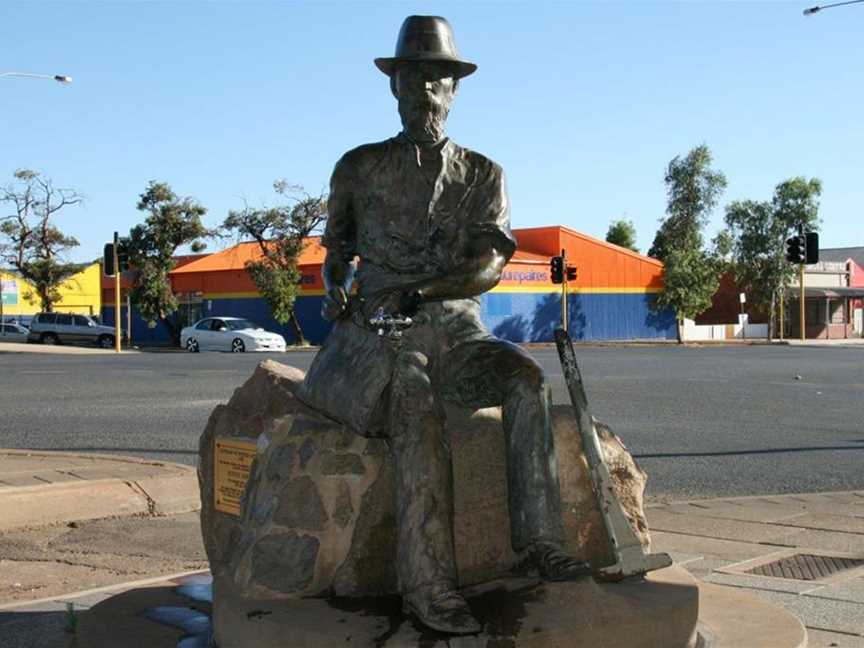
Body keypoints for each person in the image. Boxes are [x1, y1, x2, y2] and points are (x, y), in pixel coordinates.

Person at [299, 15, 589, 635]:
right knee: (413, 403)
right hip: (384, 329)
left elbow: (487, 265)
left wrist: (423, 289)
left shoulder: (484, 173)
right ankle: (427, 585)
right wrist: (337, 286)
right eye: (412, 79)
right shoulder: (358, 167)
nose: (425, 92)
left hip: (458, 328)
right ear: (394, 87)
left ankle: (538, 539)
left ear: (454, 90)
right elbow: (336, 255)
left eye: (437, 80)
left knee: (525, 380)